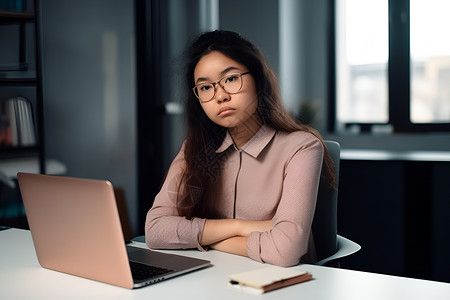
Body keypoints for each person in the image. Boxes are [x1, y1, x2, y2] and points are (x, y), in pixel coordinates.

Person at [145, 30, 335, 267]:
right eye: (205, 88)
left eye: (231, 79)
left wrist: (202, 238)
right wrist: (239, 227)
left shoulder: (302, 147)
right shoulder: (194, 150)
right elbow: (155, 230)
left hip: (283, 285)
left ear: (257, 79)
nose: (220, 96)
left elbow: (284, 251)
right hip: (213, 281)